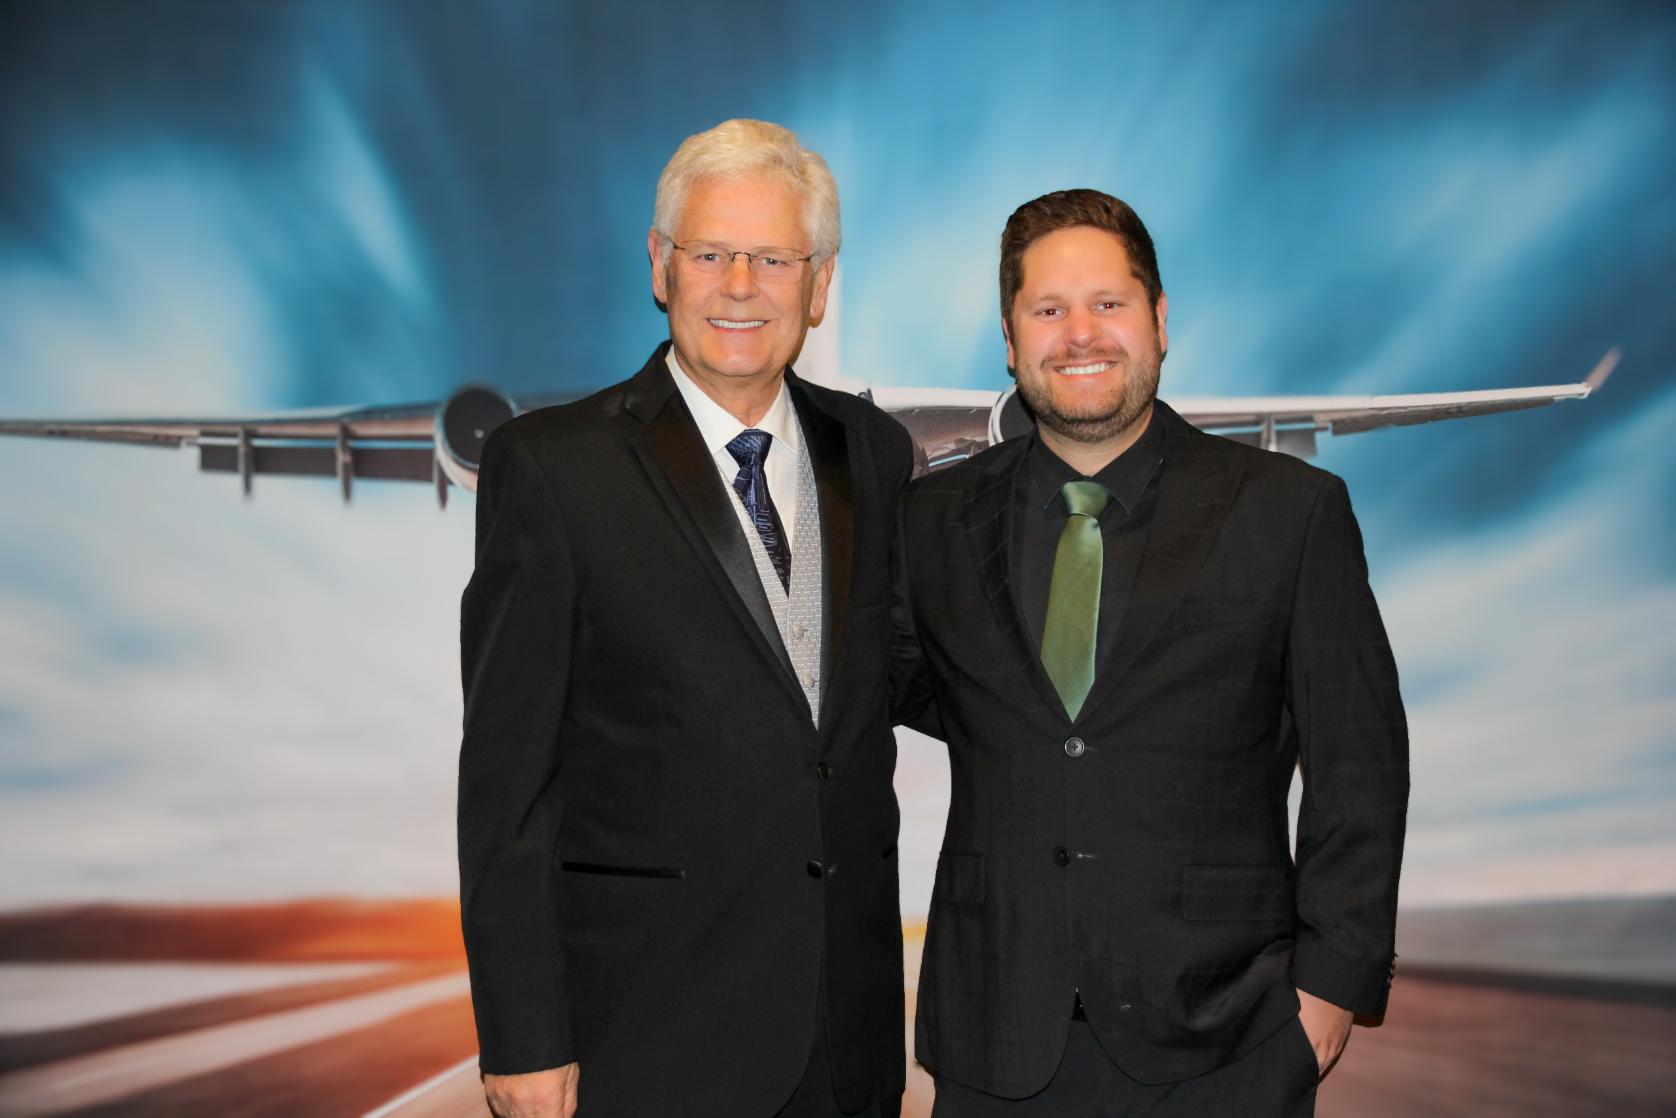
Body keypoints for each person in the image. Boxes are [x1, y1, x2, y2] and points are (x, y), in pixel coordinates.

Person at [892, 189, 1408, 1116]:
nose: (1080, 335)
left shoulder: (1290, 513)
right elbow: (917, 696)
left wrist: (1332, 989)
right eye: (1048, 310)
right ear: (1009, 340)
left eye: (1109, 303)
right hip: (997, 1038)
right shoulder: (928, 522)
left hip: (1228, 1040)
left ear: (1160, 320)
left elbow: (1359, 763)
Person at [459, 119, 912, 1118]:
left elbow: (901, 676)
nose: (741, 285)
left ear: (819, 284)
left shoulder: (873, 451)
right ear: (660, 265)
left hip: (846, 1042)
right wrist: (524, 1035)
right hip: (648, 1041)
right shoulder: (552, 468)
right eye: (710, 253)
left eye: (774, 258)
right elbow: (505, 784)